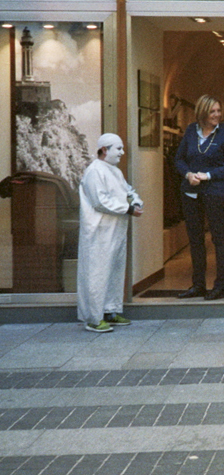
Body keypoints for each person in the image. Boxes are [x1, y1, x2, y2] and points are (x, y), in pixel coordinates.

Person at [175, 94, 224, 301]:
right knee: (195, 239)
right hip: (191, 192)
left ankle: (220, 286)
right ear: (202, 112)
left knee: (219, 238)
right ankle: (198, 285)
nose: (217, 115)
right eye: (212, 111)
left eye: (219, 111)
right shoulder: (190, 131)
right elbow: (178, 159)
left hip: (216, 191)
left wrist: (208, 175)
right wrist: (188, 174)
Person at [77, 133, 142, 333]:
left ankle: (110, 311)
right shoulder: (94, 171)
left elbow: (127, 190)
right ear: (104, 150)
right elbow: (100, 201)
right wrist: (128, 208)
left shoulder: (114, 171)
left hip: (115, 230)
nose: (122, 152)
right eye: (118, 148)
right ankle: (93, 318)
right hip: (99, 232)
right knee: (97, 273)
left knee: (114, 271)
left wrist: (135, 201)